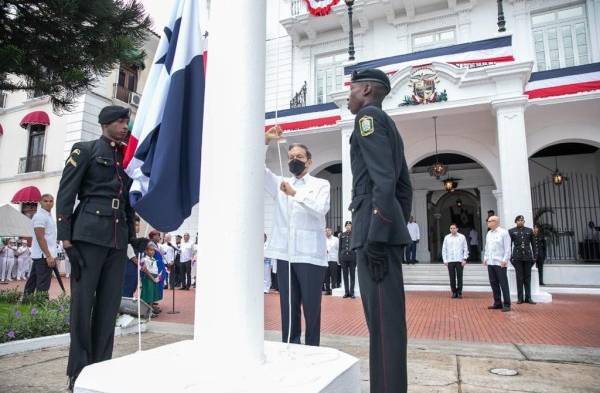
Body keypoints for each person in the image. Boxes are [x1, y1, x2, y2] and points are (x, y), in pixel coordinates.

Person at [55, 105, 136, 391]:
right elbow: (66, 194)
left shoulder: (124, 158)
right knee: (82, 307)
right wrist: (66, 240)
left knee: (108, 307)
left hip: (116, 240)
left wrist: (133, 236)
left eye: (126, 121)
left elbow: (126, 200)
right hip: (88, 237)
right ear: (105, 124)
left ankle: (101, 368)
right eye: (120, 121)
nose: (125, 126)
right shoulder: (85, 149)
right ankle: (78, 371)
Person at [347, 68, 412, 393]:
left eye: (352, 89)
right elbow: (404, 187)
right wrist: (393, 226)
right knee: (388, 327)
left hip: (374, 236)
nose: (349, 95)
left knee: (384, 329)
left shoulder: (367, 119)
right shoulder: (390, 126)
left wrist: (376, 234)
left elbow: (385, 181)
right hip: (383, 234)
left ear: (368, 89)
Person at [264, 126, 330, 346]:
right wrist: (266, 140)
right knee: (288, 306)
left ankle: (312, 348)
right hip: (285, 254)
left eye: (299, 157)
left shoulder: (321, 184)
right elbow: (257, 168)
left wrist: (294, 194)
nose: (294, 160)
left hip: (310, 256)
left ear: (309, 161)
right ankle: (290, 346)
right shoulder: (281, 182)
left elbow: (320, 209)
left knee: (312, 307)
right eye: (291, 157)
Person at [24, 194, 57, 294]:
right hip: (44, 255)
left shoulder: (47, 216)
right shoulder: (40, 216)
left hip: (42, 254)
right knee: (43, 284)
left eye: (51, 201)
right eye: (45, 201)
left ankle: (26, 302)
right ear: (40, 202)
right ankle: (41, 305)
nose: (48, 203)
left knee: (33, 281)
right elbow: (40, 237)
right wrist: (48, 255)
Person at [483, 215, 511, 312]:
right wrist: (485, 258)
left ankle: (507, 304)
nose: (488, 222)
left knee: (503, 283)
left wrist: (505, 260)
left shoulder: (504, 232)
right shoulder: (489, 233)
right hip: (491, 262)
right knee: (493, 283)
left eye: (489, 221)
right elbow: (487, 247)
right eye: (488, 221)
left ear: (495, 222)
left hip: (500, 263)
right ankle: (497, 303)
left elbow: (507, 248)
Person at [509, 215, 536, 304]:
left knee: (527, 278)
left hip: (528, 256)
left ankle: (528, 297)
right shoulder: (511, 231)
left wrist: (535, 256)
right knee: (519, 278)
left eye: (522, 220)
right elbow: (509, 245)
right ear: (516, 222)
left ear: (524, 221)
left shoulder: (529, 230)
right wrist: (510, 256)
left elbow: (533, 244)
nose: (520, 222)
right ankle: (520, 298)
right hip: (517, 256)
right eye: (519, 220)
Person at [442, 224, 469, 298]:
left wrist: (465, 258)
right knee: (452, 277)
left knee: (460, 277)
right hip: (450, 260)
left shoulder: (462, 237)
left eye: (454, 228)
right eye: (451, 228)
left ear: (457, 229)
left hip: (459, 260)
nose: (452, 229)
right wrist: (445, 260)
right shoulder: (447, 237)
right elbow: (444, 249)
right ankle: (454, 292)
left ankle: (459, 292)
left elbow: (465, 248)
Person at [338, 221, 356, 298]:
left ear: (351, 226)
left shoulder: (355, 234)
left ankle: (352, 293)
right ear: (345, 226)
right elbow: (339, 247)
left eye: (349, 225)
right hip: (343, 257)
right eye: (347, 225)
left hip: (352, 257)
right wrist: (339, 257)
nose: (348, 226)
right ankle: (346, 292)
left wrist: (357, 257)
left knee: (352, 276)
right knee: (345, 276)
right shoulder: (342, 235)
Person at [324, 228, 339, 295]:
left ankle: (333, 289)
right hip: (326, 260)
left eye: (328, 231)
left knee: (334, 275)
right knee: (326, 276)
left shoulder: (336, 239)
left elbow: (339, 249)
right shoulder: (323, 239)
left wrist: (338, 260)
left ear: (331, 231)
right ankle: (327, 290)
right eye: (326, 231)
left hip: (333, 259)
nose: (327, 232)